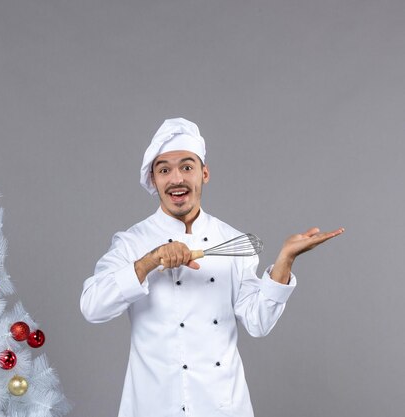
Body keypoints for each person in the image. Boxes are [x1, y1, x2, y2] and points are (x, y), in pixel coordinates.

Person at [80, 118, 344, 417]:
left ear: (204, 173)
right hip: (153, 406)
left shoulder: (233, 241)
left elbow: (258, 322)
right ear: (153, 180)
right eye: (164, 169)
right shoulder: (131, 242)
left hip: (221, 406)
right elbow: (92, 307)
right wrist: (149, 261)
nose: (176, 178)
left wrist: (285, 260)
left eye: (187, 167)